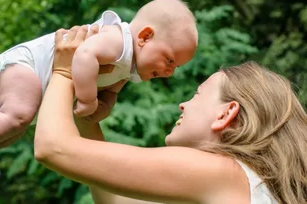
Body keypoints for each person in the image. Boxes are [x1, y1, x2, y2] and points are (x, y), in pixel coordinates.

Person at [34, 26, 307, 204]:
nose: (183, 104)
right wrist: (87, 115)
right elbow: (116, 200)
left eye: (198, 94)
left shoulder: (223, 173)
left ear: (226, 113)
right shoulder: (251, 187)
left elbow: (53, 148)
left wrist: (63, 71)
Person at [0, 0, 198, 187]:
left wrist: (106, 105)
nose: (170, 72)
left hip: (38, 80)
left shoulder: (129, 67)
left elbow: (113, 89)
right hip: (27, 65)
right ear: (144, 37)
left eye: (175, 67)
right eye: (169, 60)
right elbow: (85, 56)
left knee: (18, 125)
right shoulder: (118, 40)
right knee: (18, 115)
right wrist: (88, 99)